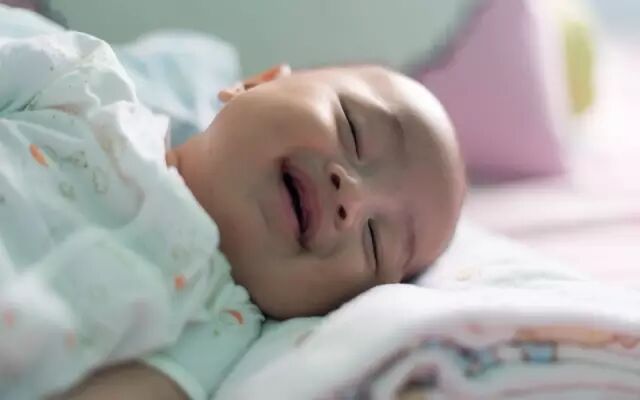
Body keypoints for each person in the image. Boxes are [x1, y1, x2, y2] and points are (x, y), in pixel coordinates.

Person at [0, 17, 464, 400]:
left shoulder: (218, 330)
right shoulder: (85, 87)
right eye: (355, 131)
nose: (353, 200)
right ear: (256, 83)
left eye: (375, 239)